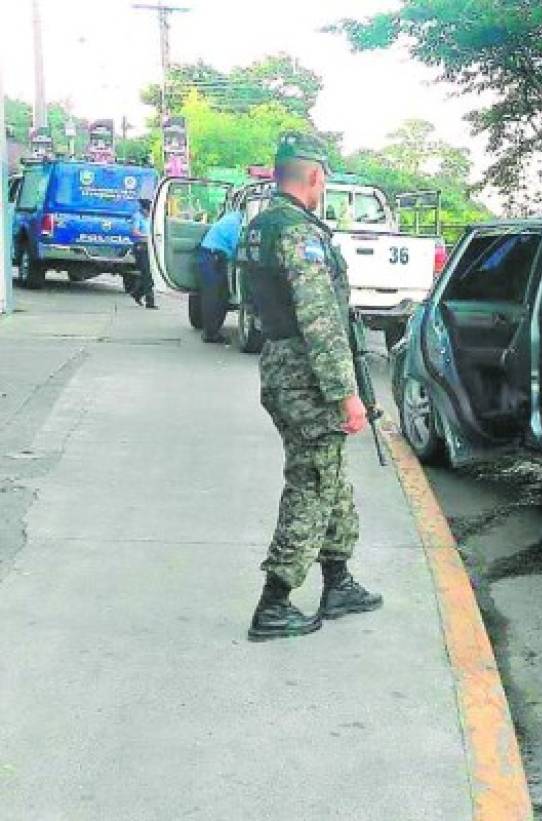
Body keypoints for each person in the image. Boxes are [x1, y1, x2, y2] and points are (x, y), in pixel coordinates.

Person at [239, 133, 382, 642]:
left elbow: (253, 305)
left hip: (281, 365)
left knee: (332, 479)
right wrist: (347, 395)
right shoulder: (299, 234)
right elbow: (320, 319)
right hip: (308, 376)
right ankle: (274, 602)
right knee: (313, 485)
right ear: (315, 176)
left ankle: (338, 582)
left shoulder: (258, 227)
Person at [197, 208, 243, 343]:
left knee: (219, 295)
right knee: (214, 296)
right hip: (213, 257)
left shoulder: (232, 218)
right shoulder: (235, 224)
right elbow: (238, 247)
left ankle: (212, 331)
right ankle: (210, 334)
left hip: (212, 256)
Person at [130, 198, 157, 309]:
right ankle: (150, 302)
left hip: (151, 248)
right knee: (147, 274)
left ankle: (137, 293)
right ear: (143, 209)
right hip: (141, 248)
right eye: (148, 210)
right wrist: (148, 237)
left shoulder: (151, 217)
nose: (149, 213)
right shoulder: (137, 217)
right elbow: (135, 232)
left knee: (151, 275)